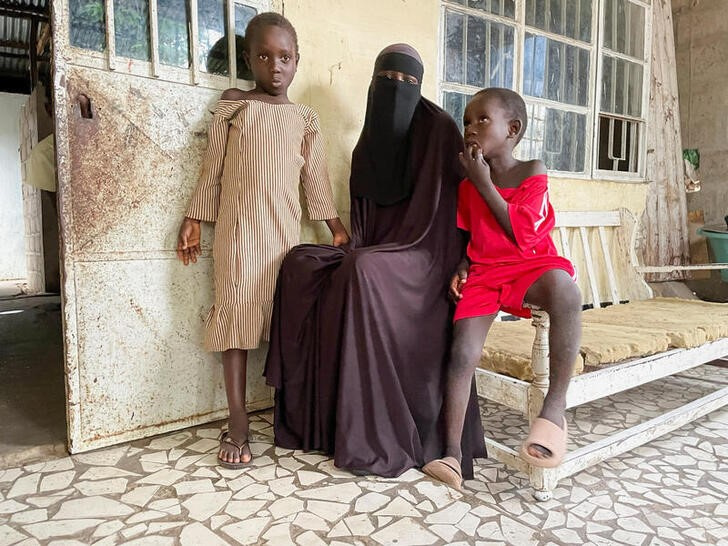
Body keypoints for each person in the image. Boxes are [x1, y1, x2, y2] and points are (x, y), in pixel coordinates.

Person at [264, 44, 486, 479]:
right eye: (387, 80)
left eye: (407, 83)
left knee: (362, 270)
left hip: (428, 258)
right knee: (301, 263)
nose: (396, 90)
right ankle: (317, 422)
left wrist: (463, 262)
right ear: (372, 85)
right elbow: (365, 225)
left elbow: (461, 215)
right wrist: (353, 242)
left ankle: (374, 430)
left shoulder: (439, 130)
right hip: (381, 249)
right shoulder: (367, 147)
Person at [177, 12, 349, 469]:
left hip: (283, 237)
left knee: (283, 321)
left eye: (286, 57)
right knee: (235, 319)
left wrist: (334, 227)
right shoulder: (234, 105)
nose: (276, 66)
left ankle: (285, 411)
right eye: (265, 56)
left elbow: (314, 179)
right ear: (250, 60)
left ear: (297, 61)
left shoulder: (303, 119)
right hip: (237, 232)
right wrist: (193, 217)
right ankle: (237, 418)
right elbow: (212, 167)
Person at [423, 88, 582, 491]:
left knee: (565, 290)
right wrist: (461, 266)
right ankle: (452, 456)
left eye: (482, 120)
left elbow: (524, 233)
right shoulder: (465, 187)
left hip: (530, 264)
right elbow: (470, 237)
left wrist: (484, 183)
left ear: (513, 130)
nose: (470, 129)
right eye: (466, 121)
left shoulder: (532, 171)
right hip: (485, 272)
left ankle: (554, 408)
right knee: (462, 352)